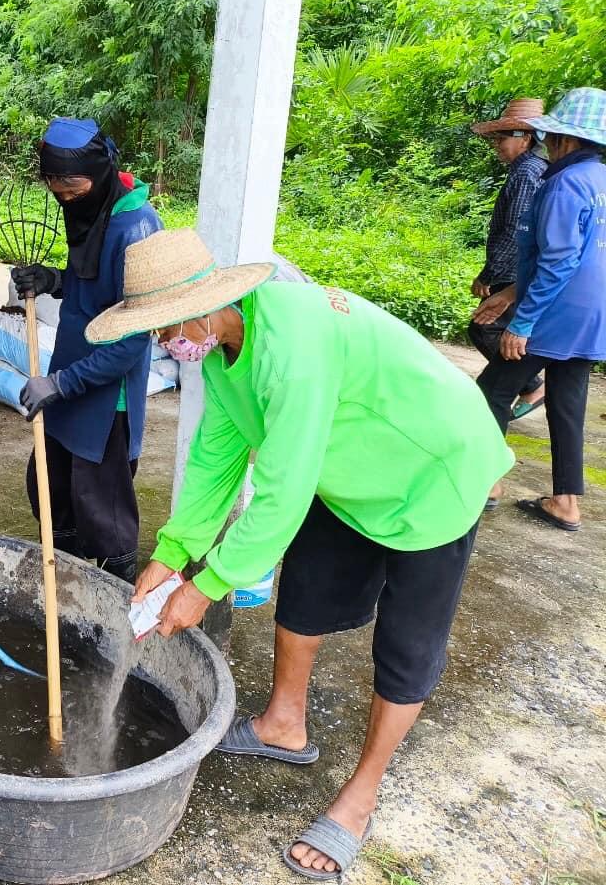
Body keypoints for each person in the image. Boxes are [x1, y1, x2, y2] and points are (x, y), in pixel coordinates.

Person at [87, 228, 512, 880]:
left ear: (205, 304)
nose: (166, 345)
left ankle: (361, 795)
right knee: (307, 591)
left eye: (168, 328)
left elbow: (280, 494)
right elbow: (215, 459)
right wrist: (171, 557)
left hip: (431, 466)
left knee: (406, 644)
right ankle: (284, 724)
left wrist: (208, 585)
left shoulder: (291, 345)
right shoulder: (227, 350)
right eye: (155, 333)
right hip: (346, 472)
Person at [11, 118, 163, 583]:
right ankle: (69, 589)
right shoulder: (88, 207)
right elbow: (90, 286)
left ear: (99, 170)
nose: (62, 192)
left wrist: (60, 384)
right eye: (53, 180)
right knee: (53, 494)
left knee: (105, 512)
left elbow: (132, 339)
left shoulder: (136, 228)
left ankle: (114, 600)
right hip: (67, 381)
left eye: (71, 181)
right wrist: (54, 281)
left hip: (104, 398)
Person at [473, 87, 606, 532]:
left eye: (552, 136)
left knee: (492, 389)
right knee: (568, 404)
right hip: (593, 319)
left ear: (567, 140)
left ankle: (487, 482)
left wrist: (523, 320)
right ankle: (566, 503)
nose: (548, 142)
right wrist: (510, 293)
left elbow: (559, 259)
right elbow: (583, 255)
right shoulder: (600, 180)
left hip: (558, 314)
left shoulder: (566, 183)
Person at [467, 97, 548, 420]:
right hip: (516, 271)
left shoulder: (528, 173)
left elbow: (516, 229)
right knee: (487, 328)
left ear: (525, 138)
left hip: (514, 272)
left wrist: (490, 275)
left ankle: (531, 385)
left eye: (503, 138)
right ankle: (529, 384)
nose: (497, 145)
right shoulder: (526, 170)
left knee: (486, 327)